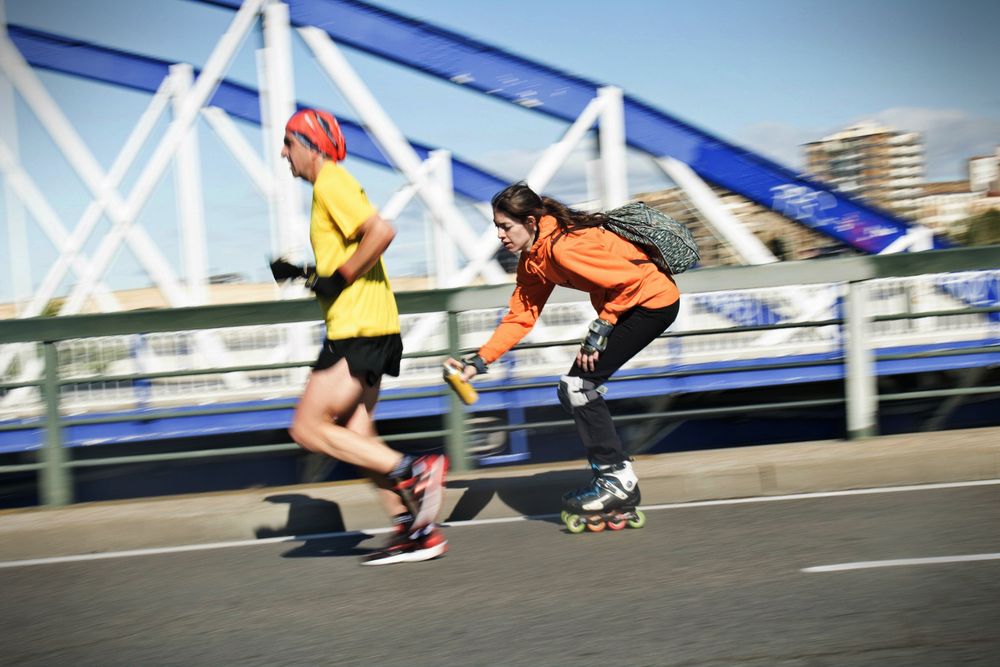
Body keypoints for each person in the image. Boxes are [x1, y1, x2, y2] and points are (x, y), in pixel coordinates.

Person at [447, 182, 680, 529]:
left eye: (505, 226)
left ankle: (617, 481)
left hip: (651, 304)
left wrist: (601, 329)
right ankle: (613, 473)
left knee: (578, 387)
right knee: (573, 388)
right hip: (627, 306)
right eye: (496, 226)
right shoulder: (535, 259)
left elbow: (631, 280)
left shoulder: (564, 248)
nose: (499, 235)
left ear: (529, 221)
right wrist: (478, 362)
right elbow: (521, 317)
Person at [271, 108, 447, 564]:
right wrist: (308, 274)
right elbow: (347, 255)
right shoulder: (327, 188)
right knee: (357, 436)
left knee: (308, 428)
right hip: (372, 323)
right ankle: (414, 530)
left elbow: (380, 232)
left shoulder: (331, 182)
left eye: (288, 143)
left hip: (356, 327)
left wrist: (340, 276)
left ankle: (415, 469)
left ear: (310, 146)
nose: (283, 153)